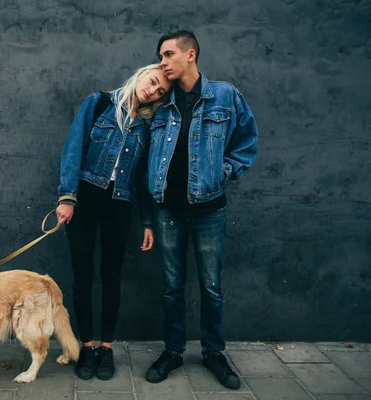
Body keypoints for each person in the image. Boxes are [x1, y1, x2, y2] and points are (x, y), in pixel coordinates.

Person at [144, 31, 258, 390]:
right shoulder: (162, 103)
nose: (162, 62)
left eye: (168, 54)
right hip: (168, 212)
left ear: (190, 54)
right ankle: (173, 351)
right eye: (161, 56)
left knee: (211, 288)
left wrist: (222, 172)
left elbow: (246, 143)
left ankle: (213, 353)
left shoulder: (225, 96)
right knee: (171, 287)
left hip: (210, 211)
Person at [56, 64, 171, 381]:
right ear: (142, 74)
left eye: (160, 92)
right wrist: (67, 197)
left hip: (119, 204)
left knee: (111, 276)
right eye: (153, 82)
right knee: (82, 275)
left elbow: (145, 178)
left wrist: (148, 222)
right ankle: (87, 346)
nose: (153, 91)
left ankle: (106, 348)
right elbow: (73, 148)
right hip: (85, 197)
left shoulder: (147, 126)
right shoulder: (99, 103)